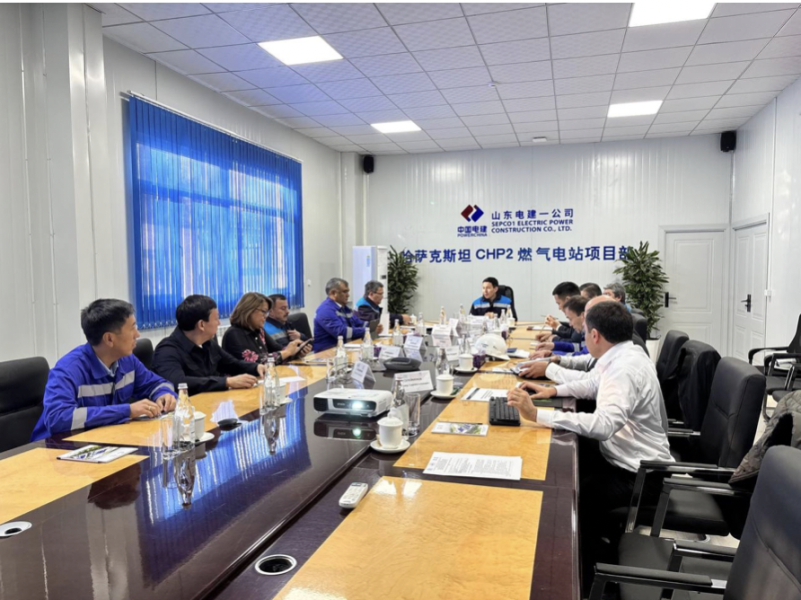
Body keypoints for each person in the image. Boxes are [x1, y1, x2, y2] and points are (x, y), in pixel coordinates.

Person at [507, 301, 672, 590]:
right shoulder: (624, 354)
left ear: (595, 335)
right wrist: (553, 390)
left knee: (568, 499)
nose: (582, 337)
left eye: (584, 332)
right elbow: (593, 384)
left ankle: (590, 578)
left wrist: (537, 415)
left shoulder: (625, 368)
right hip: (624, 458)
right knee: (563, 464)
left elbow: (603, 425)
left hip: (640, 475)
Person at [30, 299, 177, 441]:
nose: (137, 335)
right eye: (132, 328)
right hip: (55, 448)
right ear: (109, 339)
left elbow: (156, 383)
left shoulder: (127, 361)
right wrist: (126, 411)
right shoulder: (68, 370)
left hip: (103, 441)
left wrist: (164, 394)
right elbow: (57, 418)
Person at [151, 295, 266, 395]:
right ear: (201, 324)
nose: (219, 323)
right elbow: (178, 383)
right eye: (216, 318)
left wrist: (256, 367)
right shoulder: (167, 351)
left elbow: (232, 364)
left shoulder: (208, 343)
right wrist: (226, 382)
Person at [223, 292, 308, 366]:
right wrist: (287, 352)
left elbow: (278, 349)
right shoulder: (233, 334)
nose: (266, 316)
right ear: (250, 310)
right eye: (263, 311)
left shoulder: (259, 330)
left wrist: (296, 352)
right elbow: (256, 361)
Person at [313, 278, 366, 352]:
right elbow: (341, 333)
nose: (348, 295)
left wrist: (370, 326)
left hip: (343, 349)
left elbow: (358, 322)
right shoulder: (325, 310)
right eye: (345, 292)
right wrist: (365, 330)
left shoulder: (344, 308)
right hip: (327, 353)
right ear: (333, 293)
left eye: (348, 291)